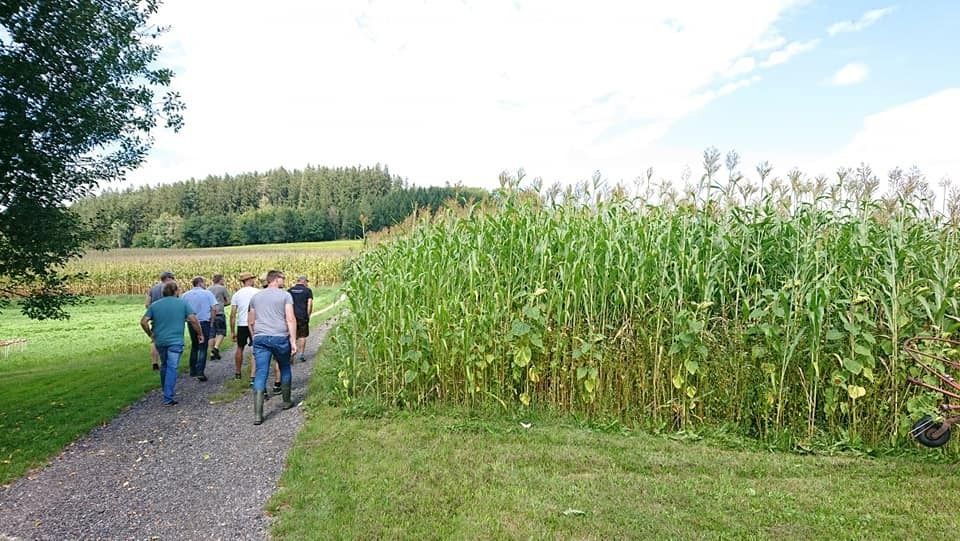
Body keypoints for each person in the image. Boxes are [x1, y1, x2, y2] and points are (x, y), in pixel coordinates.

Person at [140, 281, 203, 406]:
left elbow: (143, 322)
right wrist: (200, 334)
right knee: (172, 367)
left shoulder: (155, 305)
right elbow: (194, 320)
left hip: (160, 341)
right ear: (176, 291)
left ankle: (165, 390)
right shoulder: (182, 304)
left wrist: (150, 334)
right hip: (175, 341)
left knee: (164, 365)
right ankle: (168, 397)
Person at [248, 270, 298, 424]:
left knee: (261, 372)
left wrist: (255, 336)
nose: (284, 281)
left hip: (260, 338)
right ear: (276, 279)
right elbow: (290, 319)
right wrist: (293, 341)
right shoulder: (285, 296)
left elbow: (251, 321)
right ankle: (286, 400)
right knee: (284, 367)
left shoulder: (256, 297)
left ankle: (258, 414)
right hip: (280, 337)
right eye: (283, 278)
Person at [181, 276, 218, 382]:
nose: (205, 284)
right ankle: (200, 371)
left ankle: (192, 370)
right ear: (200, 283)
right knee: (203, 347)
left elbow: (183, 308)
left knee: (195, 346)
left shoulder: (185, 295)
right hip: (204, 322)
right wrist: (212, 321)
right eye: (204, 282)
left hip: (191, 322)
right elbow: (214, 308)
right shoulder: (207, 293)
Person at [230, 272, 259, 380]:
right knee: (255, 348)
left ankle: (238, 372)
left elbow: (232, 314)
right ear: (249, 280)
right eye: (252, 279)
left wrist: (232, 331)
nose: (253, 280)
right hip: (254, 323)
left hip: (241, 324)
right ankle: (253, 373)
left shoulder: (237, 294)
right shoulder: (257, 292)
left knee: (240, 347)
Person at [144, 271, 175, 371]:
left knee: (154, 340)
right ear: (168, 278)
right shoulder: (171, 287)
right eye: (173, 278)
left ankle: (154, 362)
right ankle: (166, 362)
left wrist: (153, 312)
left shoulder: (153, 288)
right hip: (169, 316)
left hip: (156, 317)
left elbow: (147, 304)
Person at [287, 275, 313, 363]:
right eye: (307, 282)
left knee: (292, 335)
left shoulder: (289, 291)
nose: (307, 284)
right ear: (304, 281)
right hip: (302, 316)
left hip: (291, 316)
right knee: (302, 335)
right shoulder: (307, 291)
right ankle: (301, 354)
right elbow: (309, 304)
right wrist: (308, 315)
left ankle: (291, 355)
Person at [208, 274, 231, 360]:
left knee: (211, 334)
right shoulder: (222, 288)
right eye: (223, 280)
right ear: (220, 280)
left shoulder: (208, 289)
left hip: (210, 313)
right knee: (221, 332)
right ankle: (216, 348)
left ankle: (211, 353)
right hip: (220, 312)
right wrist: (222, 304)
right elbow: (228, 301)